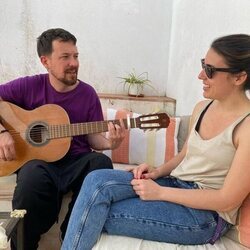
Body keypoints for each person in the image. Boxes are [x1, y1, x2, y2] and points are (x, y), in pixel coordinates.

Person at [61, 33, 250, 250]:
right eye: (202, 64)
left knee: (94, 211)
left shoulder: (246, 127)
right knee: (96, 180)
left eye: (210, 70)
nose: (200, 75)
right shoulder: (203, 107)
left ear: (239, 77)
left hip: (204, 216)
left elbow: (227, 201)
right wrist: (157, 172)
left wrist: (159, 192)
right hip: (176, 184)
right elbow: (185, 155)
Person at [0, 28, 125, 250]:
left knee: (101, 163)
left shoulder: (87, 94)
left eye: (75, 56)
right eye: (65, 57)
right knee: (29, 181)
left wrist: (110, 143)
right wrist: (3, 133)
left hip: (75, 162)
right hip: (38, 163)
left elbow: (94, 138)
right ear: (45, 61)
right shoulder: (28, 86)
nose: (73, 63)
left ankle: (71, 235)